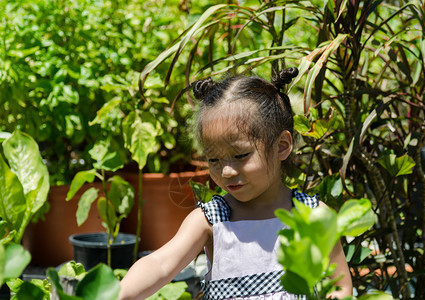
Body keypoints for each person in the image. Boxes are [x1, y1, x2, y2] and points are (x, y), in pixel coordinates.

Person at [119, 67, 353, 300]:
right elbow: (160, 264)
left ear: (281, 146)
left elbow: (339, 288)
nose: (227, 171)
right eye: (214, 160)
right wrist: (118, 294)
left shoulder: (314, 216)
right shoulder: (211, 220)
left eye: (241, 156)